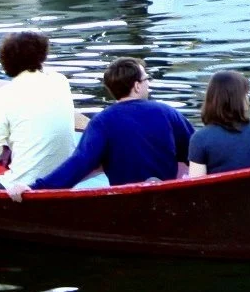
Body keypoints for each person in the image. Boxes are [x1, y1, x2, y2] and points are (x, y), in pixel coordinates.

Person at [13, 57, 193, 198]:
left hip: (124, 199)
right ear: (137, 86)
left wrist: (35, 188)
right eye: (146, 79)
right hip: (168, 194)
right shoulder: (167, 112)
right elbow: (195, 151)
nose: (148, 83)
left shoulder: (102, 121)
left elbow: (79, 164)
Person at [0, 31, 75, 190]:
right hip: (64, 181)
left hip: (25, 185)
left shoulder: (5, 96)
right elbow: (32, 84)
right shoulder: (60, 81)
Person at [187, 70, 250, 177]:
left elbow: (195, 186)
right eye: (246, 93)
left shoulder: (200, 138)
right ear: (237, 99)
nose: (248, 98)